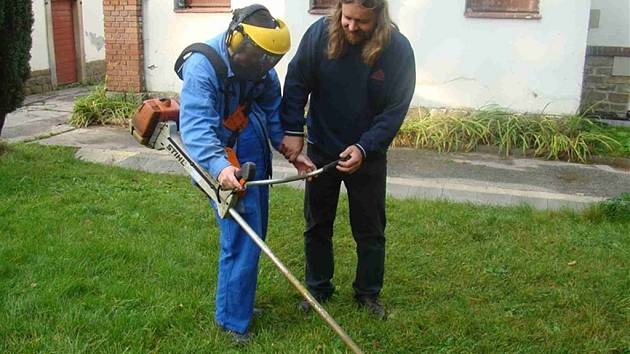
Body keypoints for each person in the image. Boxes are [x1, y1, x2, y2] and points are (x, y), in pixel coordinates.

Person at [177, 4, 315, 342]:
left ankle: (240, 304)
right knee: (241, 236)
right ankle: (231, 321)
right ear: (235, 37)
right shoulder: (203, 66)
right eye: (252, 55)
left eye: (267, 59)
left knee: (256, 229)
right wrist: (220, 167)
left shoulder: (262, 65)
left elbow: (271, 111)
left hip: (251, 143)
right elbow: (196, 128)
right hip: (218, 152)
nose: (260, 64)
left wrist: (289, 150)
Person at [280, 0, 416, 319]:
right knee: (317, 223)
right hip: (322, 148)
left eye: (362, 22)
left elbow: (395, 109)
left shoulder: (397, 50)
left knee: (369, 228)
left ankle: (367, 294)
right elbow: (297, 81)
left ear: (379, 17)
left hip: (367, 155)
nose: (352, 27)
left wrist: (365, 147)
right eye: (347, 17)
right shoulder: (319, 35)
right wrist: (292, 130)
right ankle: (317, 289)